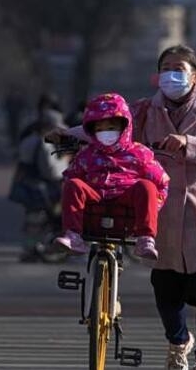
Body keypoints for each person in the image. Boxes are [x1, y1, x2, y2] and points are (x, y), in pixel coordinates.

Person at [47, 44, 196, 370]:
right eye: (166, 68)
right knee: (167, 288)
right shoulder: (145, 111)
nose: (172, 74)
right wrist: (64, 134)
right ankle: (179, 342)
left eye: (179, 68)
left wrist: (189, 144)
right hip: (159, 211)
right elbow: (102, 126)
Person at [54, 93, 169, 261]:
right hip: (95, 199)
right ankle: (73, 236)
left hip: (127, 200)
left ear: (125, 127)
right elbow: (71, 177)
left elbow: (162, 183)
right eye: (99, 130)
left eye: (111, 128)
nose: (105, 134)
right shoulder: (87, 154)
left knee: (147, 186)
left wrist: (151, 206)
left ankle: (145, 238)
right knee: (73, 184)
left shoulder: (140, 153)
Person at [16, 109, 71, 262]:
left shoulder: (28, 140)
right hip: (43, 189)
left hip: (28, 186)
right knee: (47, 218)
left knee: (32, 222)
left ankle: (30, 250)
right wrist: (65, 161)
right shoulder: (44, 143)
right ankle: (40, 248)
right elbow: (52, 171)